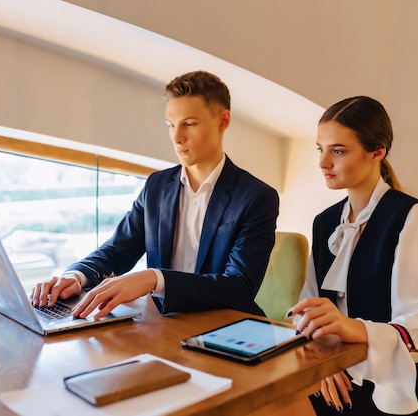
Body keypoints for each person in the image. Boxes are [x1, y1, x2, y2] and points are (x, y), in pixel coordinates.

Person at [287, 96, 418, 415]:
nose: (323, 162)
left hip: (414, 385)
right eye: (320, 148)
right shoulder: (325, 223)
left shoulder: (411, 216)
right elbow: (308, 311)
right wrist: (325, 363)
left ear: (377, 152)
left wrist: (348, 328)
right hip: (342, 376)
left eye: (338, 151)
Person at [31, 70, 279, 320]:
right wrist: (75, 275)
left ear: (223, 121)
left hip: (225, 329)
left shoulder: (256, 197)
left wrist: (155, 278)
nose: (177, 137)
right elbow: (118, 250)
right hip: (162, 324)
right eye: (171, 125)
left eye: (189, 124)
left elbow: (238, 288)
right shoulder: (157, 186)